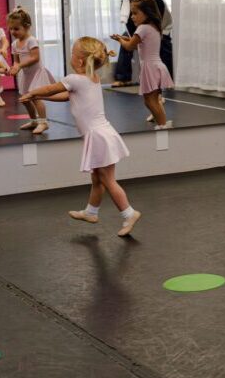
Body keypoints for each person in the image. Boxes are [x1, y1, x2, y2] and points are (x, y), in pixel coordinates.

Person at [21, 37, 141, 237]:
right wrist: (38, 97)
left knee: (107, 179)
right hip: (102, 133)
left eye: (72, 53)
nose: (70, 57)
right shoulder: (90, 79)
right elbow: (64, 96)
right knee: (97, 177)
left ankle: (129, 213)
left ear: (79, 60)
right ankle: (91, 212)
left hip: (98, 136)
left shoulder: (74, 79)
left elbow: (53, 88)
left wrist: (31, 92)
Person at [111, 0, 173, 129]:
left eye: (135, 13)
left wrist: (120, 41)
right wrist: (122, 38)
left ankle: (163, 125)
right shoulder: (153, 27)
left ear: (147, 13)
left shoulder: (142, 28)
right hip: (156, 66)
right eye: (131, 13)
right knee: (152, 100)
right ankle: (162, 122)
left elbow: (129, 46)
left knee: (150, 101)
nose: (132, 17)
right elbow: (136, 41)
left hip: (150, 67)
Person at [6, 6, 54, 134]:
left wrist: (20, 66)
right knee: (25, 99)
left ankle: (43, 122)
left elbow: (35, 58)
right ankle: (34, 121)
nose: (12, 32)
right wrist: (15, 67)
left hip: (36, 73)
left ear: (26, 27)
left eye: (16, 29)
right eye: (10, 29)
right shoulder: (14, 44)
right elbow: (16, 59)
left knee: (36, 97)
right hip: (26, 75)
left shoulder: (31, 41)